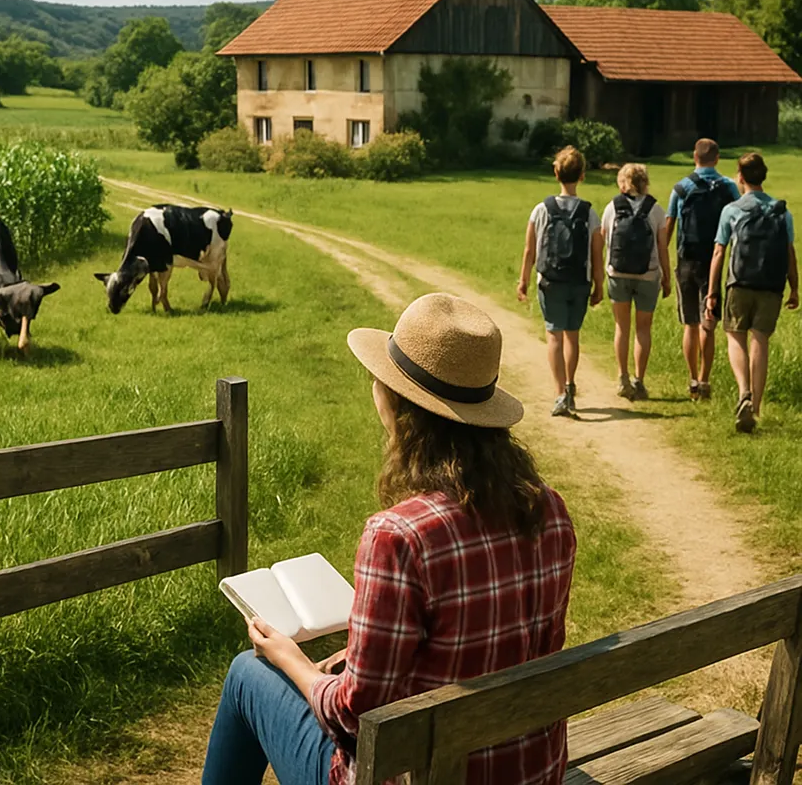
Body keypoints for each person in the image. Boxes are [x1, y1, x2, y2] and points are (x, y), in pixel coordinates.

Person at [201, 293, 577, 785]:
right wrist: (354, 654)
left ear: (398, 404)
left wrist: (294, 662)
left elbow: (355, 717)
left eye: (381, 379)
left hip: (414, 774)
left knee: (246, 676)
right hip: (529, 771)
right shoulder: (548, 509)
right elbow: (497, 649)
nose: (375, 385)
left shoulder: (400, 537)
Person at [706, 152, 798, 433]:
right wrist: (795, 288)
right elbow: (789, 253)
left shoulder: (732, 210)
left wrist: (711, 292)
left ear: (741, 178)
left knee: (735, 336)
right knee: (761, 341)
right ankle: (755, 407)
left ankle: (743, 391)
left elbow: (719, 252)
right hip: (771, 286)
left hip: (739, 283)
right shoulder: (782, 212)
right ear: (764, 176)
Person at [517, 146, 604, 417]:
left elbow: (530, 250)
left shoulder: (541, 210)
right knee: (572, 336)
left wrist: (523, 280)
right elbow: (596, 254)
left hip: (549, 280)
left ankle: (559, 395)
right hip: (579, 281)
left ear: (556, 173)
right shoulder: (590, 213)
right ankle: (569, 384)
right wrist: (599, 285)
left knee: (553, 335)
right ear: (582, 176)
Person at [665, 138, 739, 401]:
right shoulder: (729, 187)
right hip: (714, 262)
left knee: (690, 324)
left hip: (686, 260)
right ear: (717, 159)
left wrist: (663, 260)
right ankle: (706, 380)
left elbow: (669, 226)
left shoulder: (682, 188)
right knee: (708, 323)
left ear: (694, 158)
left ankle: (693, 379)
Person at [601, 163, 671, 400]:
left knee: (621, 327)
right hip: (648, 275)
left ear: (622, 182)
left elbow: (605, 240)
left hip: (617, 274)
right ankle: (639, 381)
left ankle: (622, 377)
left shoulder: (612, 207)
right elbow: (662, 247)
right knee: (643, 328)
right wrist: (667, 278)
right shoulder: (656, 210)